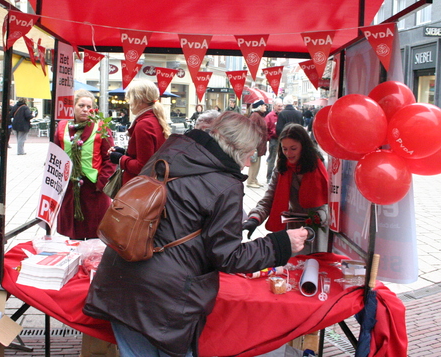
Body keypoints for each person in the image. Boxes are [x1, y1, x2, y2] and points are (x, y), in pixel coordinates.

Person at [84, 112, 310, 357]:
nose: (248, 163)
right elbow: (228, 256)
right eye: (250, 154)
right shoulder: (225, 185)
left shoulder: (169, 152)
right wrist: (280, 244)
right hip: (164, 299)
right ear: (237, 148)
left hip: (118, 278)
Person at [243, 123, 330, 254]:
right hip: (292, 231)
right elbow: (269, 198)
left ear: (304, 147)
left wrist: (317, 218)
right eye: (284, 149)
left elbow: (331, 205)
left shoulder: (321, 167)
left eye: (293, 148)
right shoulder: (282, 168)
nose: (288, 153)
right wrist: (255, 218)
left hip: (317, 231)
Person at [54, 89, 116, 240]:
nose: (85, 109)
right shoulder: (62, 126)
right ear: (73, 107)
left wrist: (101, 183)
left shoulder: (101, 127)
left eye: (89, 107)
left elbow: (110, 158)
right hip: (69, 186)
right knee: (73, 231)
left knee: (95, 230)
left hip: (93, 187)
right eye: (81, 105)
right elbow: (55, 154)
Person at [109, 80, 171, 185]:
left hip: (138, 187)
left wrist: (120, 159)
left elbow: (143, 166)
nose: (129, 102)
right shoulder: (155, 119)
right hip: (150, 184)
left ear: (139, 100)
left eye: (130, 98)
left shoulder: (144, 124)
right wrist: (124, 152)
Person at [246, 100, 268, 188]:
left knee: (257, 163)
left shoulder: (259, 116)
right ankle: (250, 181)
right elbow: (251, 130)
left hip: (260, 144)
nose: (265, 107)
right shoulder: (255, 116)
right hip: (256, 144)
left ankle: (254, 179)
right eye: (263, 105)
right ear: (259, 106)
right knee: (254, 163)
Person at [265, 98, 283, 183]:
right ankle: (269, 177)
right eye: (278, 106)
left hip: (282, 140)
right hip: (274, 140)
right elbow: (266, 128)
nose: (280, 107)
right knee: (272, 158)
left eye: (281, 106)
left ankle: (279, 177)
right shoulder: (269, 116)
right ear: (274, 106)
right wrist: (269, 137)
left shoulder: (283, 115)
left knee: (281, 158)